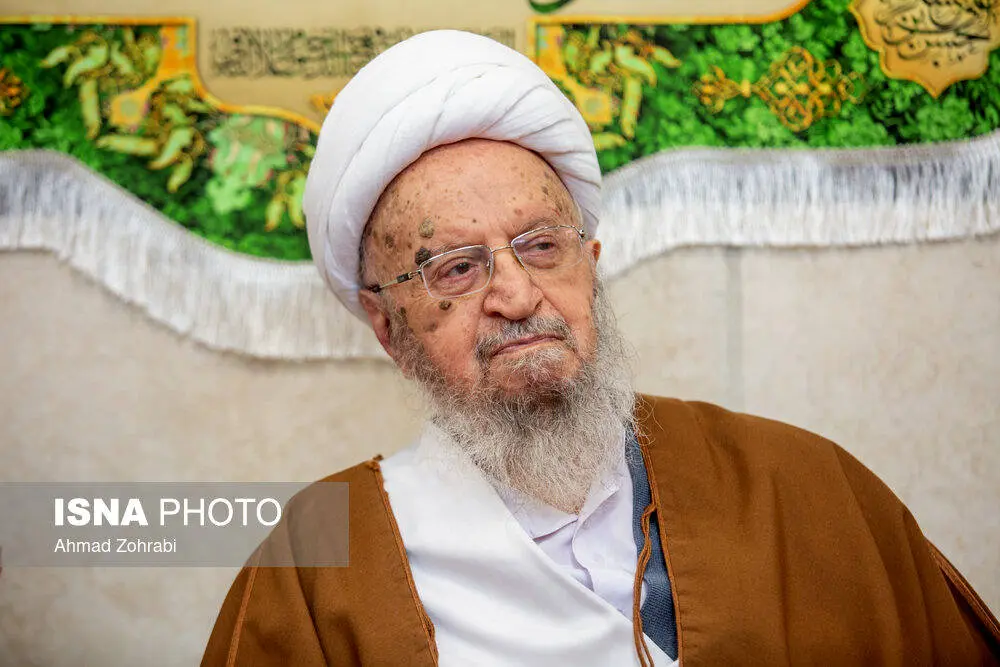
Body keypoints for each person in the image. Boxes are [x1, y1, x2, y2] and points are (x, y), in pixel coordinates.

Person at [202, 30, 1000, 666]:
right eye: (457, 268)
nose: (517, 295)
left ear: (590, 264)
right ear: (391, 331)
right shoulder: (315, 565)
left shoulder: (807, 492)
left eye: (541, 245)